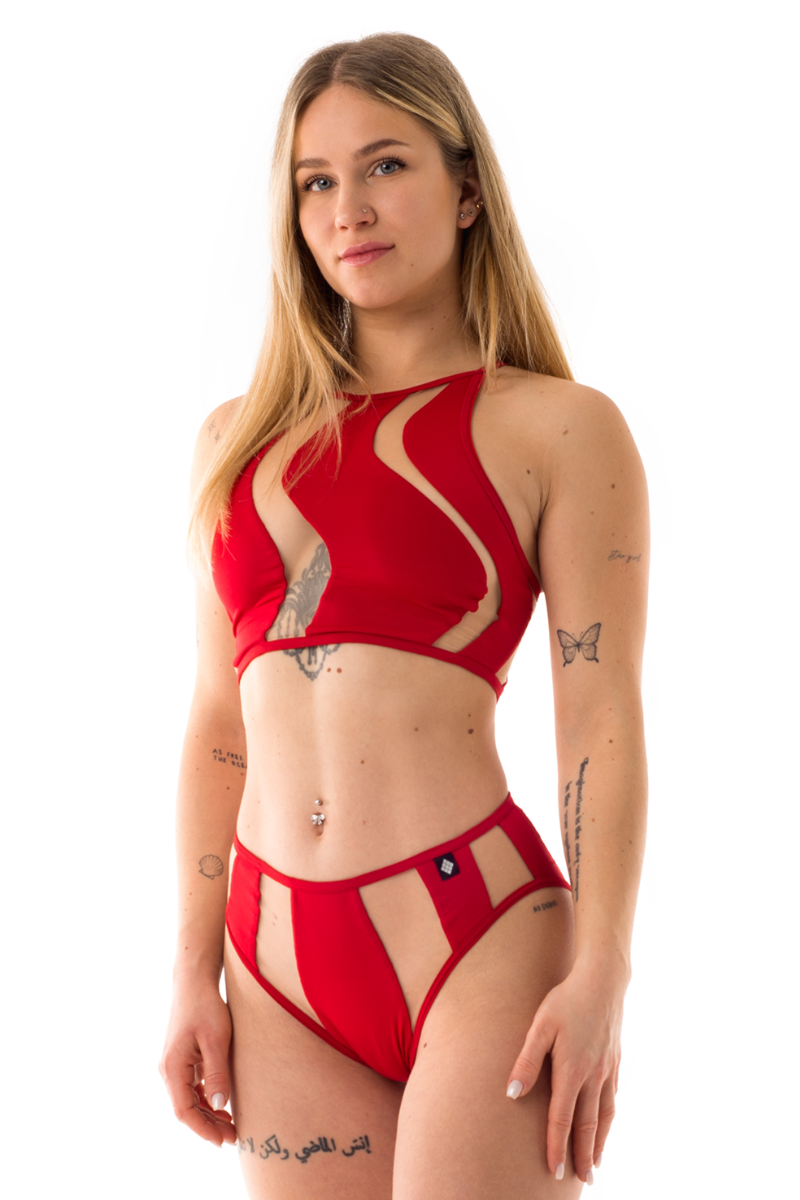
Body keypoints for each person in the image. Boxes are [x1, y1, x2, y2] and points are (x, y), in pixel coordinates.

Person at [159, 32, 649, 1199]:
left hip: (474, 934)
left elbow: (598, 717)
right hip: (274, 960)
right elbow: (219, 722)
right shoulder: (233, 443)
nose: (348, 210)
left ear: (466, 189)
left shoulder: (557, 428)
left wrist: (602, 970)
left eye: (385, 165)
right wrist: (189, 966)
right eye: (314, 182)